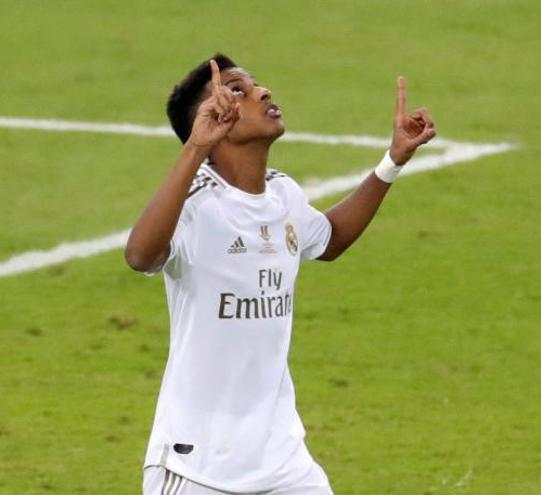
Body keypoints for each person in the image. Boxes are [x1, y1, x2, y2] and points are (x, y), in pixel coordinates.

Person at [125, 53, 435, 495]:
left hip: (282, 460)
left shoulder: (283, 194)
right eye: (238, 90)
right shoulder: (195, 206)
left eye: (256, 84)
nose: (262, 92)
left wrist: (393, 160)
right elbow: (140, 255)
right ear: (211, 120)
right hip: (199, 467)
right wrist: (195, 148)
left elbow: (329, 240)